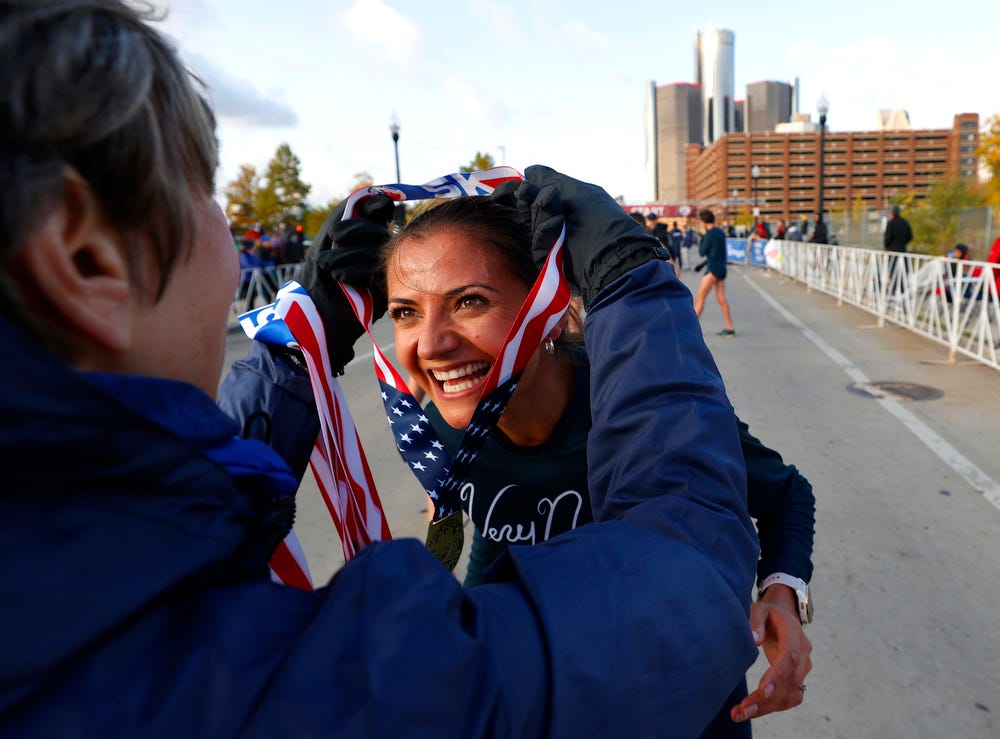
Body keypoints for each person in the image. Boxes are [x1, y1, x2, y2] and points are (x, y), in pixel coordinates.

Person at [1, 3, 758, 735]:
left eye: (467, 300)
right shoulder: (266, 683)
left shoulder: (76, 589)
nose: (234, 257)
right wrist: (630, 282)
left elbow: (160, 529)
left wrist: (307, 342)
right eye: (205, 201)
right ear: (85, 257)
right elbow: (684, 584)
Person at [226, 191, 815, 732]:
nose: (430, 343)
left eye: (470, 302)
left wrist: (783, 592)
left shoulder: (644, 411)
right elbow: (500, 533)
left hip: (681, 703)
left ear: (551, 308)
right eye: (405, 311)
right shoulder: (442, 433)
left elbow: (786, 493)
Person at [694, 209, 736, 337]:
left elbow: (702, 252)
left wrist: (702, 237)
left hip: (712, 269)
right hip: (721, 269)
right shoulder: (720, 232)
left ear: (703, 221)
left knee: (700, 297)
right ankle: (730, 328)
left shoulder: (709, 234)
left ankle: (691, 329)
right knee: (721, 299)